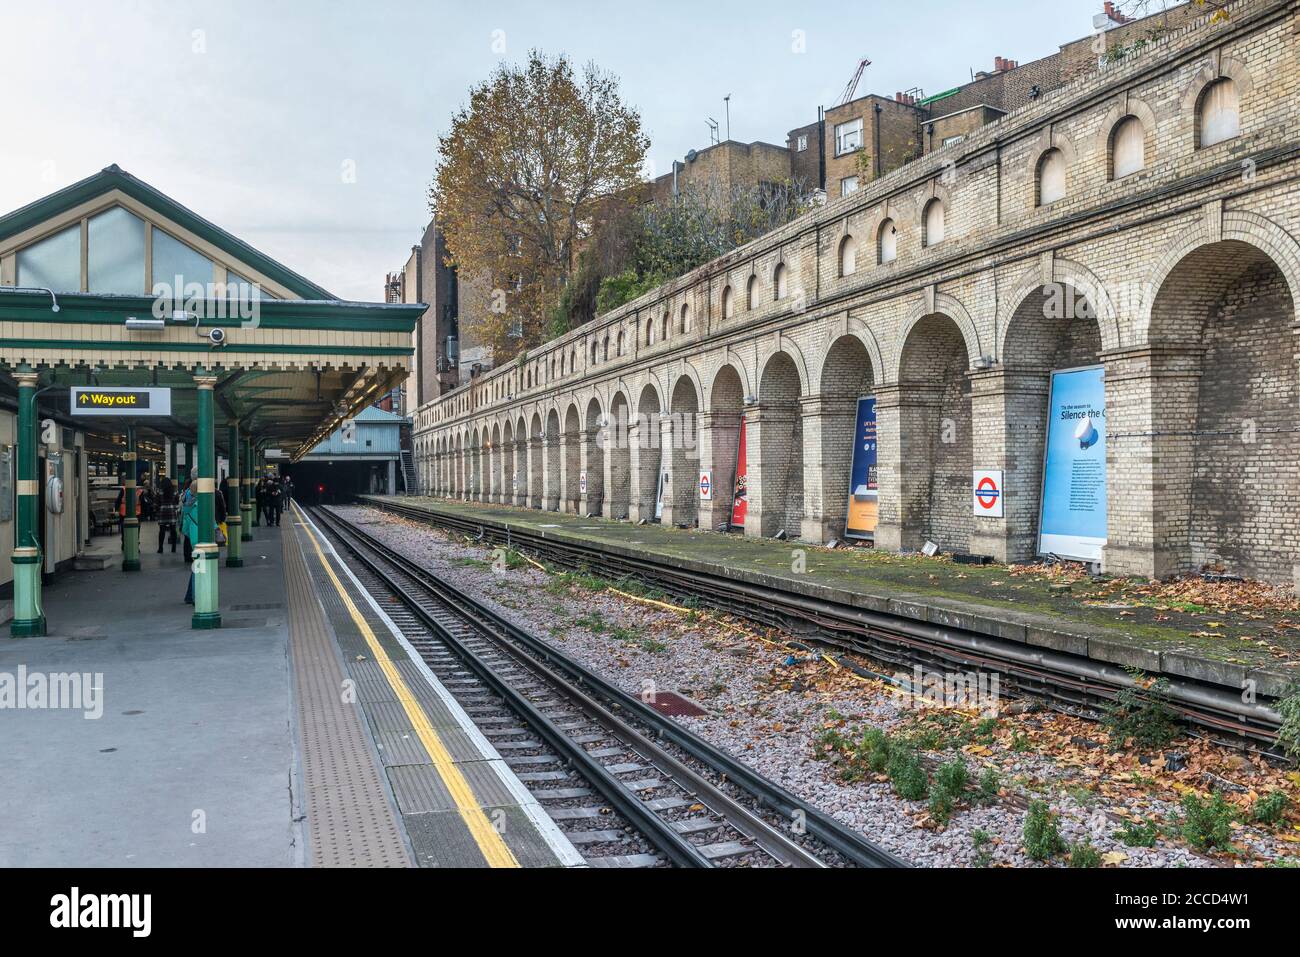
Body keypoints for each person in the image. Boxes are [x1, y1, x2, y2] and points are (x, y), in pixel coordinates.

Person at [182, 469, 199, 604]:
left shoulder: (186, 496)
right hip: (200, 537)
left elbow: (185, 523)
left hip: (192, 534)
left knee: (197, 564)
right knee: (200, 566)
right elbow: (209, 520)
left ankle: (189, 594)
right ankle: (196, 596)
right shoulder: (200, 503)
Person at [156, 477, 178, 553]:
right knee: (173, 530)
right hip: (171, 511)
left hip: (162, 511)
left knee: (162, 530)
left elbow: (157, 503)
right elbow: (176, 502)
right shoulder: (174, 492)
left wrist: (159, 509)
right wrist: (174, 508)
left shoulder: (160, 492)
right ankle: (174, 547)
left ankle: (160, 548)